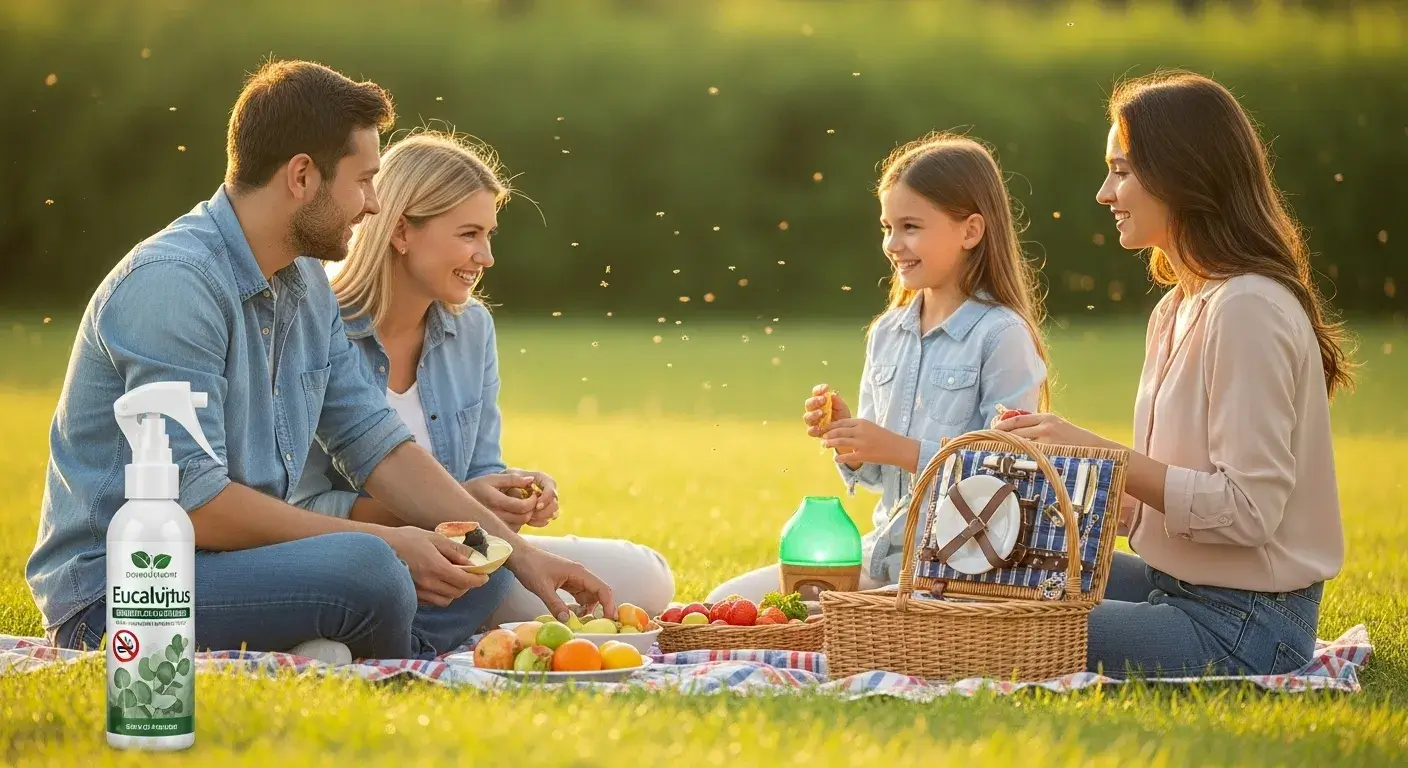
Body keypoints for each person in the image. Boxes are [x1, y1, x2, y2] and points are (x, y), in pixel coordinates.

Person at [26, 60, 612, 661]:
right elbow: (193, 504)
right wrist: (391, 542)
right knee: (374, 570)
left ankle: (346, 639)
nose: (374, 205)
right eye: (363, 181)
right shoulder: (174, 285)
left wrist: (522, 554)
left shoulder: (303, 282)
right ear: (302, 176)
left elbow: (373, 440)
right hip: (131, 590)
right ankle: (370, 634)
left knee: (464, 559)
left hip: (246, 567)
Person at [996, 70, 1351, 677]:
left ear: (1183, 176)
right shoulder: (1177, 306)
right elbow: (1171, 504)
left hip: (1243, 625)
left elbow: (1248, 511)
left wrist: (1101, 452)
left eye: (1122, 170)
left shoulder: (1247, 309)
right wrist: (1062, 475)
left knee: (1001, 633)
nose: (1105, 193)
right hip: (1175, 584)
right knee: (990, 582)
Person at [290, 130, 675, 625]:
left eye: (489, 235)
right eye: (469, 234)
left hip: (472, 554)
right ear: (402, 231)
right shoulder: (318, 328)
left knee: (647, 576)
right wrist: (459, 504)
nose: (486, 257)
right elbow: (305, 505)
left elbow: (481, 468)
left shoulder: (471, 328)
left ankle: (398, 626)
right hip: (358, 558)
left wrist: (513, 495)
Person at [708, 133, 1050, 602]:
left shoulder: (1001, 335)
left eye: (910, 226)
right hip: (881, 559)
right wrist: (852, 441)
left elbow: (1009, 472)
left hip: (959, 575)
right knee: (724, 603)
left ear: (970, 231)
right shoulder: (888, 333)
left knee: (825, 629)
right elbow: (878, 476)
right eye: (886, 227)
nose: (893, 244)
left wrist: (901, 449)